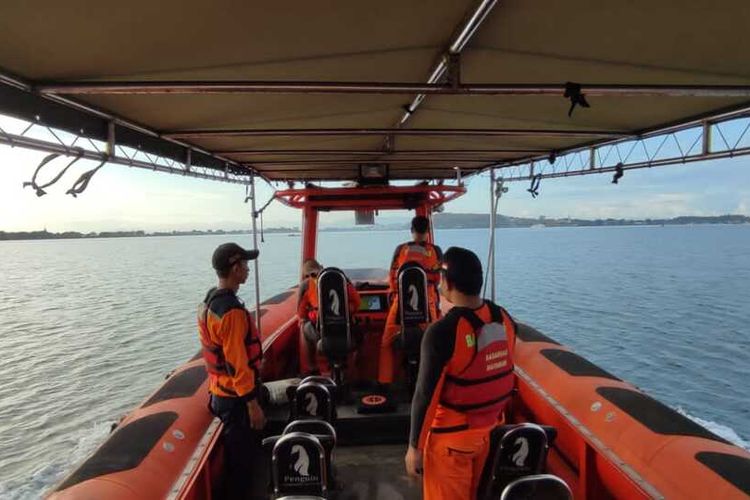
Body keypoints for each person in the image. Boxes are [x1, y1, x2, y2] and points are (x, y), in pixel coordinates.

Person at [405, 247, 517, 500]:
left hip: (452, 442)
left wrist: (415, 448)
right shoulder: (504, 319)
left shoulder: (442, 332)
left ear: (447, 281)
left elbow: (426, 395)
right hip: (491, 434)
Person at [197, 242, 265, 500]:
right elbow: (237, 362)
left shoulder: (210, 301)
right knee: (241, 464)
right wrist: (252, 404)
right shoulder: (232, 313)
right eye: (245, 265)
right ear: (235, 268)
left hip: (219, 393)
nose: (248, 270)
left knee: (237, 459)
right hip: (237, 400)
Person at [377, 215, 442, 387]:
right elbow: (437, 280)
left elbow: (392, 277)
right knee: (434, 343)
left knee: (387, 343)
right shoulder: (436, 251)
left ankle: (385, 383)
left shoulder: (401, 250)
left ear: (412, 231)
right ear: (428, 232)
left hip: (401, 303)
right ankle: (431, 384)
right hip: (428, 305)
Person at [297, 258, 361, 375]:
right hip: (345, 332)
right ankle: (355, 369)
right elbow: (357, 303)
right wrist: (345, 311)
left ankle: (312, 368)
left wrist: (313, 314)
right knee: (359, 333)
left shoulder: (306, 286)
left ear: (307, 275)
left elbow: (301, 314)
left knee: (303, 326)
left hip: (321, 334)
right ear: (321, 266)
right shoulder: (343, 280)